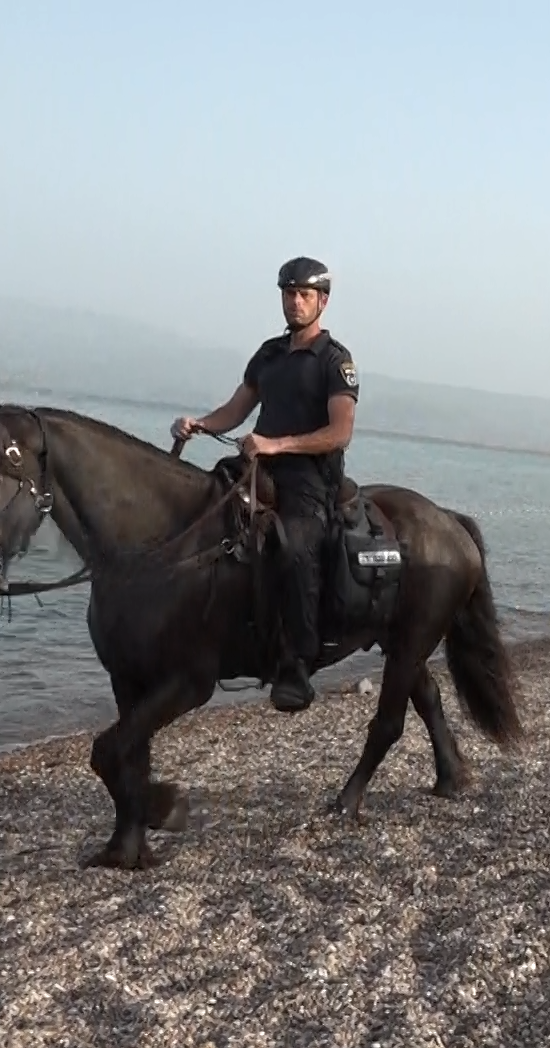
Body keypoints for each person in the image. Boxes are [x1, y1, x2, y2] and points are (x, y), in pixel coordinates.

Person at [172, 256, 360, 712]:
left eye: (304, 295)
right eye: (288, 293)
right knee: (200, 509)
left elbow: (341, 432)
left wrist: (277, 445)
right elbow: (236, 411)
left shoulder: (336, 361)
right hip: (258, 464)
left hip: (309, 476)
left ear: (323, 301)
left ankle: (297, 660)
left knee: (296, 545)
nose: (295, 302)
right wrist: (197, 424)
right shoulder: (269, 354)